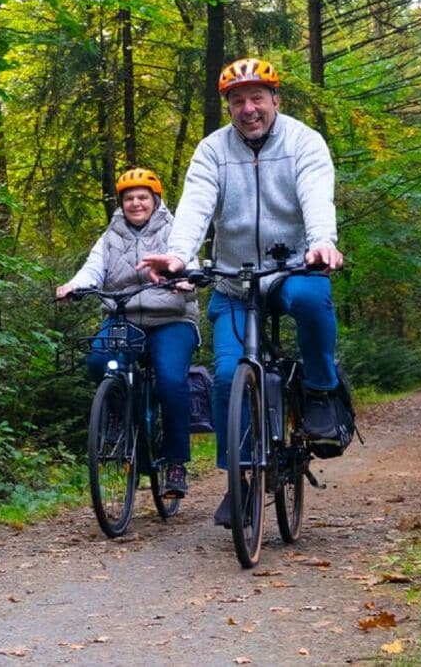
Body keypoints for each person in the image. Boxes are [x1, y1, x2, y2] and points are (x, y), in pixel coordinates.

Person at [137, 57, 344, 528]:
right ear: (228, 107)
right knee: (230, 376)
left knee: (313, 300)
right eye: (237, 101)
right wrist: (179, 257)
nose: (248, 109)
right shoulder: (212, 150)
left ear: (275, 100)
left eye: (257, 98)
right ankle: (241, 480)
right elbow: (195, 206)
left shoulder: (304, 142)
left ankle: (320, 392)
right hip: (233, 278)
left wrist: (322, 243)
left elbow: (316, 192)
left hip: (292, 266)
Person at [57, 167, 200, 498]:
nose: (136, 203)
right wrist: (74, 286)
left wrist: (186, 278)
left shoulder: (177, 231)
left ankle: (176, 462)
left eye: (142, 198)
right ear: (121, 204)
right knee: (98, 361)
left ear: (155, 201)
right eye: (129, 198)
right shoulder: (110, 236)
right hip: (124, 317)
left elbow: (191, 262)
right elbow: (93, 269)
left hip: (171, 318)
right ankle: (121, 421)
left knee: (171, 381)